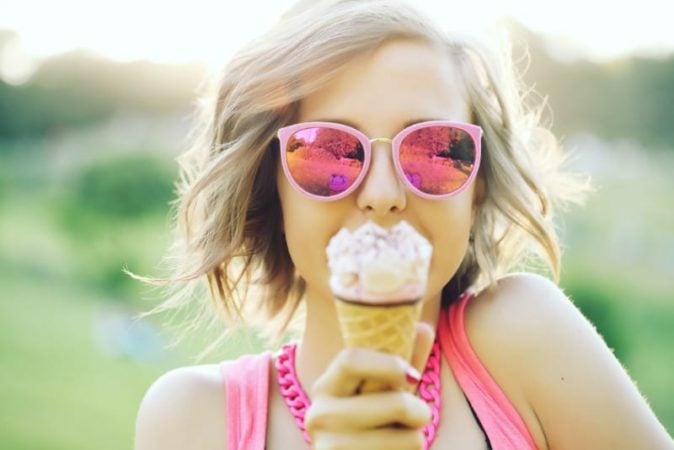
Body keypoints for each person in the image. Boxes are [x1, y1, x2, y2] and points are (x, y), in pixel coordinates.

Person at [133, 1, 674, 449]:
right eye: (329, 152)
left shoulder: (527, 336)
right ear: (270, 185)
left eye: (437, 150)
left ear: (477, 182)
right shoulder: (191, 421)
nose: (385, 196)